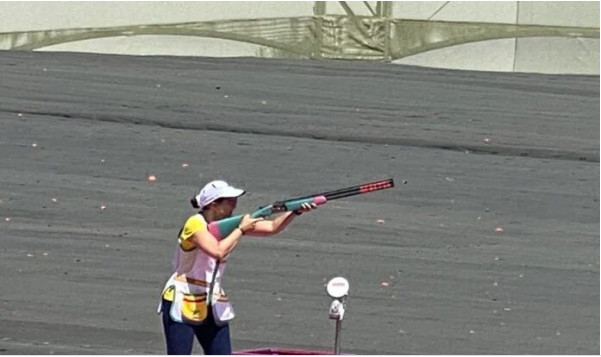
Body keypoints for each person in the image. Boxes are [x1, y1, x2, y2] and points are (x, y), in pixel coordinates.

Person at [158, 179, 315, 355]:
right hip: (182, 298)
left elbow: (272, 227)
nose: (234, 204)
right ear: (213, 204)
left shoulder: (230, 225)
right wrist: (240, 230)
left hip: (213, 302)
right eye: (229, 200)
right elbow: (218, 251)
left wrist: (295, 211)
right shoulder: (195, 223)